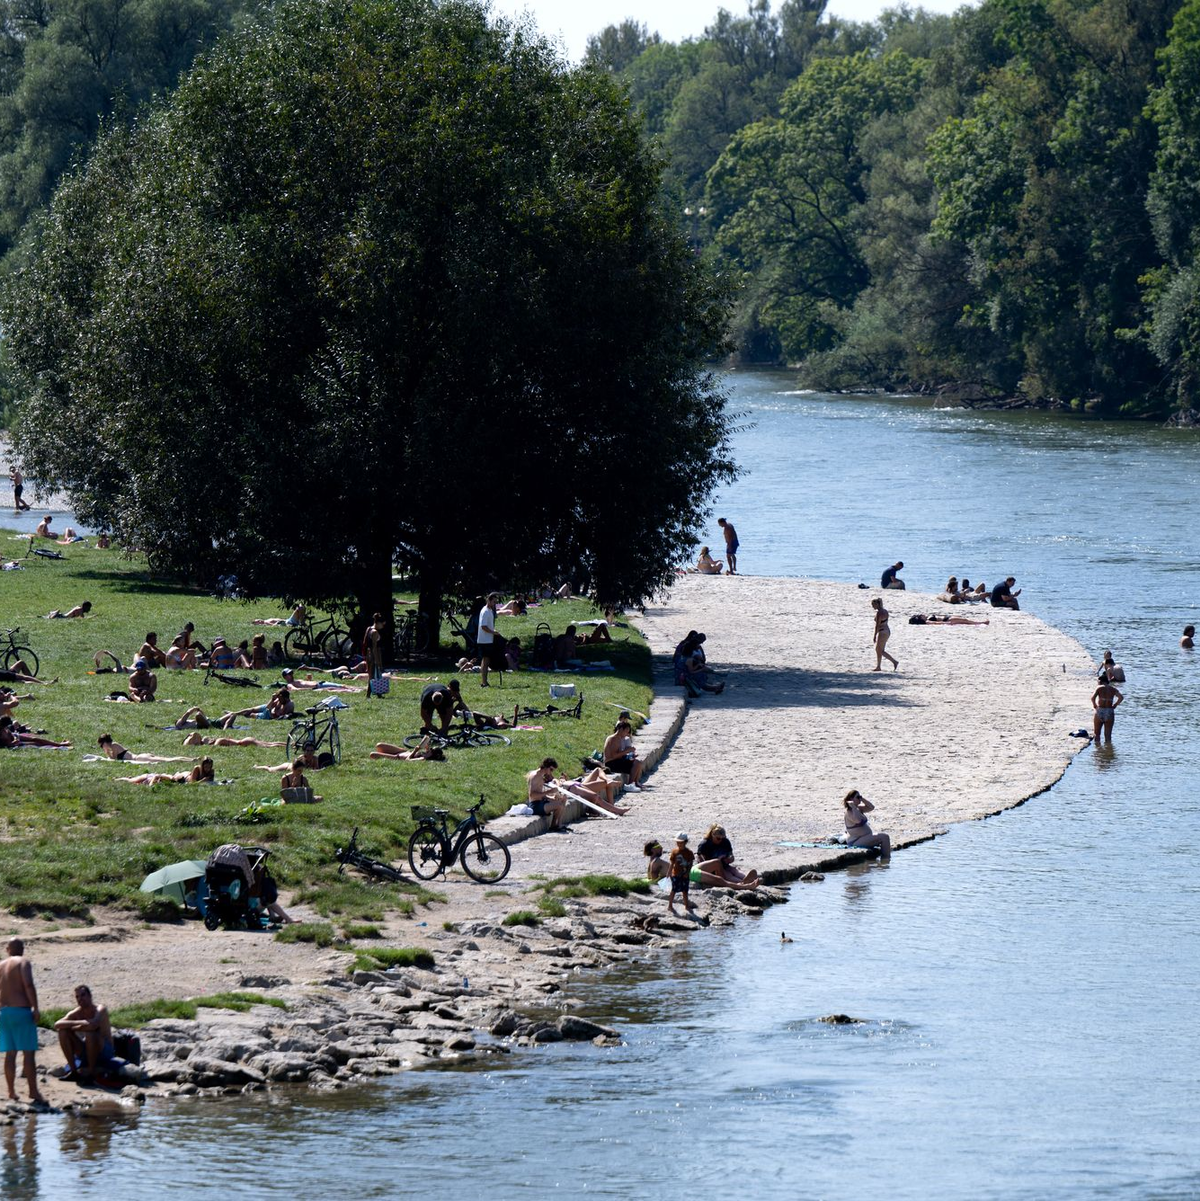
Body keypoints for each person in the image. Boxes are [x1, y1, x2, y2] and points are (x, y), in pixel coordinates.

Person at [0, 938, 44, 1103]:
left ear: (7, 949)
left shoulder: (1, 965)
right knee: (28, 1053)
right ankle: (33, 1091)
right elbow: (28, 985)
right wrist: (35, 1007)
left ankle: (11, 1092)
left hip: (4, 1013)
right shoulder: (23, 962)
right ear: (23, 949)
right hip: (21, 1011)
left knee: (10, 1054)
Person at [54, 984, 113, 1081]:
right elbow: (57, 1024)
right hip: (86, 1048)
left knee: (90, 1033)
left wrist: (74, 1027)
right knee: (63, 1032)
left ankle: (91, 1072)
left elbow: (93, 1025)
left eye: (83, 995)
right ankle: (74, 1072)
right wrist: (80, 1022)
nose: (80, 999)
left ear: (90, 996)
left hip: (104, 1050)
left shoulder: (100, 1009)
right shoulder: (77, 1012)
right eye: (77, 997)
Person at [695, 824, 760, 889]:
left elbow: (731, 856)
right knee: (728, 875)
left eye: (722, 838)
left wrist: (729, 859)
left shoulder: (725, 842)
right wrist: (717, 860)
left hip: (725, 865)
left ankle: (748, 879)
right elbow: (701, 862)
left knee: (734, 871)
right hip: (714, 868)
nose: (720, 840)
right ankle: (742, 884)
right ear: (712, 835)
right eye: (718, 838)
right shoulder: (704, 844)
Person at [843, 790, 891, 856]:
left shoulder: (858, 809)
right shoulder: (849, 812)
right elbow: (858, 820)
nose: (859, 799)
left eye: (860, 797)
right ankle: (886, 860)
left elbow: (871, 807)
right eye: (858, 797)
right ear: (851, 799)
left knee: (884, 838)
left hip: (864, 838)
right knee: (884, 837)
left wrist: (862, 799)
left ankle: (885, 862)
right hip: (856, 841)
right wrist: (853, 807)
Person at [526, 758, 569, 831]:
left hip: (541, 802)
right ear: (546, 767)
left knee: (563, 798)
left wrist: (550, 797)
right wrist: (549, 792)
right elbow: (532, 795)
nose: (551, 773)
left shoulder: (540, 775)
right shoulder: (535, 776)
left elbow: (539, 793)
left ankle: (559, 824)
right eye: (551, 770)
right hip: (535, 806)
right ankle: (553, 826)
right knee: (559, 805)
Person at [97, 734, 193, 763]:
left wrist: (106, 752)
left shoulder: (114, 745)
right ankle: (191, 759)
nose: (102, 747)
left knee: (167, 760)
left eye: (102, 745)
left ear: (105, 742)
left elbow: (113, 759)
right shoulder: (114, 746)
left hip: (139, 758)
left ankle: (191, 760)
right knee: (166, 759)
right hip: (140, 756)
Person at [603, 720, 644, 789]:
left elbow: (618, 754)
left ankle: (636, 783)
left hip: (616, 761)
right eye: (626, 731)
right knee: (636, 763)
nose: (627, 734)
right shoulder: (614, 739)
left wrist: (629, 755)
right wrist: (626, 751)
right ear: (621, 729)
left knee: (638, 762)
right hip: (610, 763)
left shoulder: (619, 738)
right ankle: (630, 785)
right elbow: (613, 756)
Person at [667, 834, 697, 914]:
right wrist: (669, 872)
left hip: (685, 874)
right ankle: (670, 905)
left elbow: (690, 864)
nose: (679, 844)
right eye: (678, 843)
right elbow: (672, 863)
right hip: (675, 874)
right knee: (673, 890)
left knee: (685, 890)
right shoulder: (674, 851)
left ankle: (686, 905)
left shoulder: (689, 852)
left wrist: (687, 872)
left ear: (685, 842)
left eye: (681, 843)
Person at [1092, 674, 1123, 744]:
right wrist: (1115, 705)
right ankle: (1108, 751)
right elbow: (1121, 697)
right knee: (1108, 735)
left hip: (1100, 710)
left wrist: (1095, 705)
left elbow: (1092, 698)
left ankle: (1098, 751)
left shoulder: (1099, 688)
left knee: (1097, 734)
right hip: (1109, 711)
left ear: (1100, 681)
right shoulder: (1113, 689)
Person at [871, 597, 898, 671]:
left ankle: (893, 662)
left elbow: (877, 625)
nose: (873, 606)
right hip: (887, 631)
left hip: (882, 631)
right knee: (879, 649)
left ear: (877, 604)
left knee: (879, 650)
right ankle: (879, 666)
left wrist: (874, 635)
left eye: (873, 605)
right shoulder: (885, 611)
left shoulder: (879, 613)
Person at [477, 593, 499, 687]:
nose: (494, 604)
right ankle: (484, 682)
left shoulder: (490, 610)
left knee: (485, 661)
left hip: (488, 639)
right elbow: (483, 626)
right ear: (489, 600)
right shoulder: (485, 611)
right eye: (493, 602)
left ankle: (484, 681)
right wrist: (493, 632)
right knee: (486, 662)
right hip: (484, 640)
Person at [363, 612, 386, 697]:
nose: (383, 627)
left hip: (369, 655)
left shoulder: (369, 629)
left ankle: (378, 694)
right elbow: (374, 647)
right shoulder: (375, 632)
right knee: (372, 675)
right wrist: (378, 661)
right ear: (378, 623)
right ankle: (368, 695)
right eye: (382, 625)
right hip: (373, 655)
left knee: (375, 674)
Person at [370, 735, 446, 761]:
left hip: (397, 757)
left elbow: (408, 760)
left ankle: (385, 755)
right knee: (379, 745)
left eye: (431, 750)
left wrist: (415, 750)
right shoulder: (426, 754)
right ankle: (384, 754)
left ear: (432, 755)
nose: (429, 750)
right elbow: (427, 748)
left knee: (372, 755)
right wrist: (425, 742)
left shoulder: (422, 759)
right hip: (403, 751)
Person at [184, 731, 286, 748]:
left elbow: (195, 735)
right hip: (245, 740)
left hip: (244, 742)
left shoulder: (218, 742)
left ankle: (289, 744)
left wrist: (190, 737)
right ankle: (290, 744)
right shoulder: (219, 740)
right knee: (270, 744)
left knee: (269, 745)